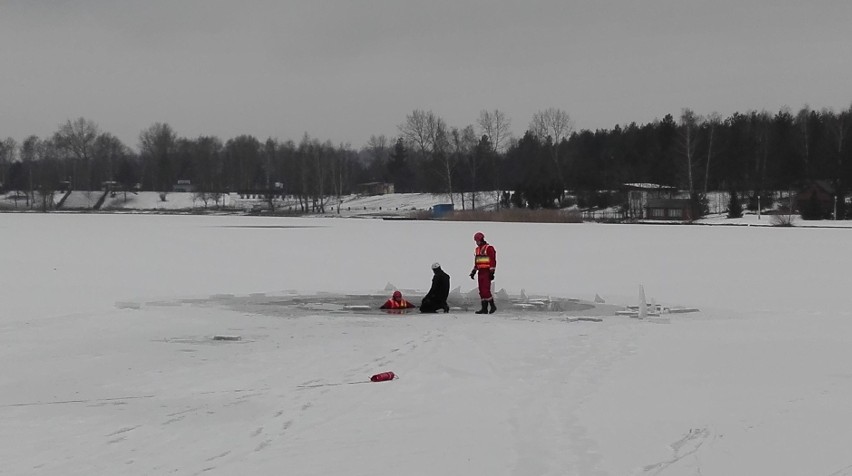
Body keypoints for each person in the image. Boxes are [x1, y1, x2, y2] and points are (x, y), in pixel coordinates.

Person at [469, 231, 497, 314]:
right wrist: (474, 271)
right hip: (480, 272)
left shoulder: (489, 248)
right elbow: (478, 262)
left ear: (481, 239)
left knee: (485, 290)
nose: (476, 243)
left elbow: (493, 260)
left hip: (487, 272)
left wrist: (492, 272)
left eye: (477, 241)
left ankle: (492, 306)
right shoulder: (477, 250)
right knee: (481, 290)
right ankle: (484, 308)